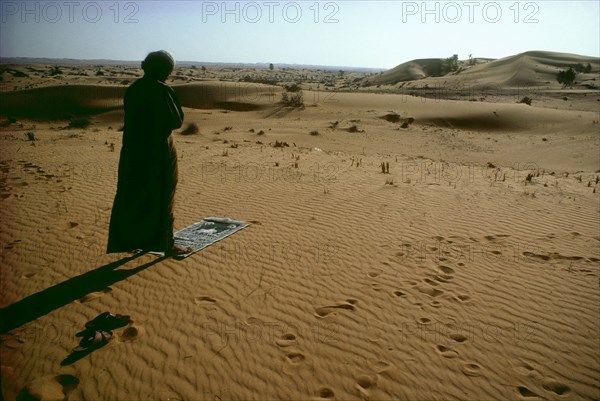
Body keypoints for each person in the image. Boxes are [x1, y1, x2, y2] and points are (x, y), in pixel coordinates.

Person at [107, 50, 190, 257]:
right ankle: (167, 244)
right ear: (163, 69)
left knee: (132, 193)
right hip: (158, 152)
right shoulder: (161, 90)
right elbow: (175, 121)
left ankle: (129, 239)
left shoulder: (134, 88)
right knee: (163, 194)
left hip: (133, 151)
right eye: (168, 70)